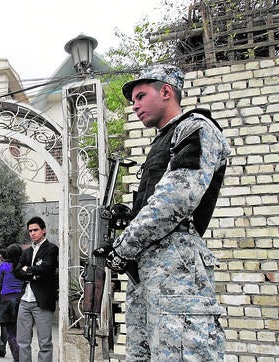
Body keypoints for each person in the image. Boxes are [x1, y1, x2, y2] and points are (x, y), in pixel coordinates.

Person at [101, 64, 228, 361]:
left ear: (167, 91)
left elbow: (175, 199)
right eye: (133, 101)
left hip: (177, 271)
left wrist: (124, 247)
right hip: (148, 269)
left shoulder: (196, 128)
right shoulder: (162, 139)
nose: (134, 106)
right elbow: (154, 203)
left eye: (140, 96)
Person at [13, 216, 58, 362]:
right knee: (22, 342)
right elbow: (17, 272)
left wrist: (28, 270)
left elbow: (47, 268)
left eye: (36, 230)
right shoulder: (26, 252)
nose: (32, 233)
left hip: (42, 301)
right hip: (25, 300)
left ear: (43, 230)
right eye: (30, 231)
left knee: (44, 343)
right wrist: (33, 273)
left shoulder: (51, 248)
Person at [0, 244, 25, 362]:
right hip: (22, 301)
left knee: (11, 333)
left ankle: (17, 358)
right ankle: (22, 357)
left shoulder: (3, 266)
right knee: (22, 333)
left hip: (7, 301)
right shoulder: (23, 266)